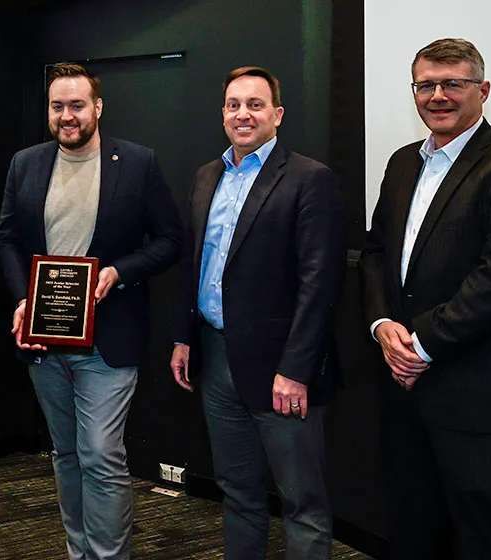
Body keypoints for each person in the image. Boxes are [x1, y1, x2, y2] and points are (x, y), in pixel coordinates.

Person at [359, 38, 491, 560]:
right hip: (407, 400)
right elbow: (376, 254)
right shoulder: (402, 163)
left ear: (482, 91)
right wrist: (381, 324)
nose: (437, 95)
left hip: (484, 403)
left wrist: (418, 345)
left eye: (453, 84)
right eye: (426, 85)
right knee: (416, 532)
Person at [0, 63, 181, 559]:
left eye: (76, 105)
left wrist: (118, 272)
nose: (67, 116)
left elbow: (169, 241)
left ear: (97, 108)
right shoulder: (26, 163)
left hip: (109, 339)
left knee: (100, 453)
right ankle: (79, 552)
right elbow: (8, 239)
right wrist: (21, 300)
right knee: (66, 454)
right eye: (57, 107)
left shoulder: (137, 163)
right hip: (43, 338)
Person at [169, 66, 345, 560]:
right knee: (238, 492)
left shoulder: (310, 179)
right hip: (216, 358)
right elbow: (193, 263)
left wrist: (296, 369)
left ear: (277, 114)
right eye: (233, 104)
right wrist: (185, 336)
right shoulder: (208, 176)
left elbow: (321, 284)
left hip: (281, 370)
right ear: (223, 113)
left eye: (255, 104)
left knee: (301, 503)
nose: (243, 114)